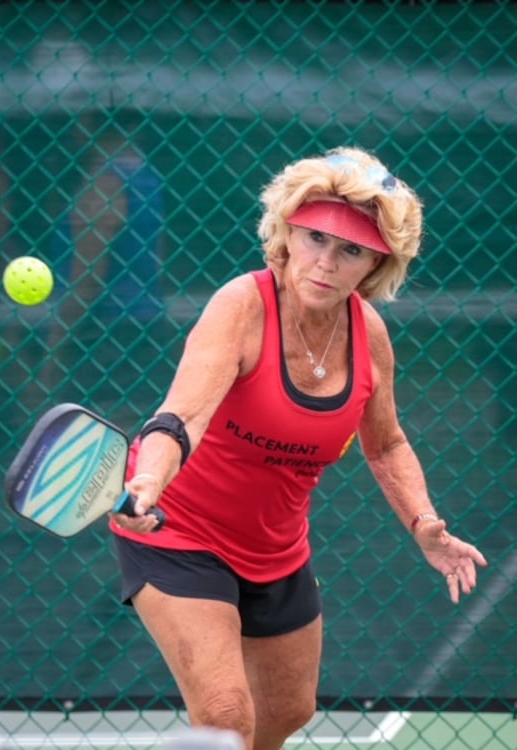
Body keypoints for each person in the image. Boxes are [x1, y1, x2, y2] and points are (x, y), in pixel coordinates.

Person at [109, 146, 488, 750]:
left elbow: (386, 445)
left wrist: (424, 524)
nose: (326, 262)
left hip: (276, 549)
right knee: (226, 710)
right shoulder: (241, 306)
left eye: (351, 250)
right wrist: (149, 483)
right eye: (314, 238)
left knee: (286, 710)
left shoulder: (369, 335)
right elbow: (181, 416)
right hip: (178, 531)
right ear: (287, 232)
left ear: (376, 264)